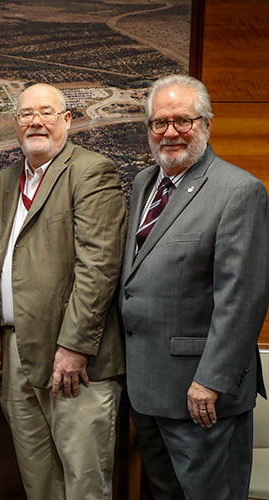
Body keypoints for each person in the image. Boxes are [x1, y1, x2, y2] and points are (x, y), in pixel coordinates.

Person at [120, 74, 269, 500]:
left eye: (182, 120)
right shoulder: (144, 184)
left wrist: (211, 381)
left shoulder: (238, 191)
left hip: (202, 397)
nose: (169, 132)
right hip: (148, 390)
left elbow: (242, 298)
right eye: (159, 122)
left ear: (207, 123)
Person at [0, 83, 126, 500]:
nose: (36, 122)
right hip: (14, 354)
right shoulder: (3, 182)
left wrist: (75, 345)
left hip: (74, 360)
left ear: (67, 120)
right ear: (15, 124)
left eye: (46, 112)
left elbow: (99, 266)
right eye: (26, 114)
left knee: (84, 483)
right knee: (39, 482)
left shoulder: (91, 171)